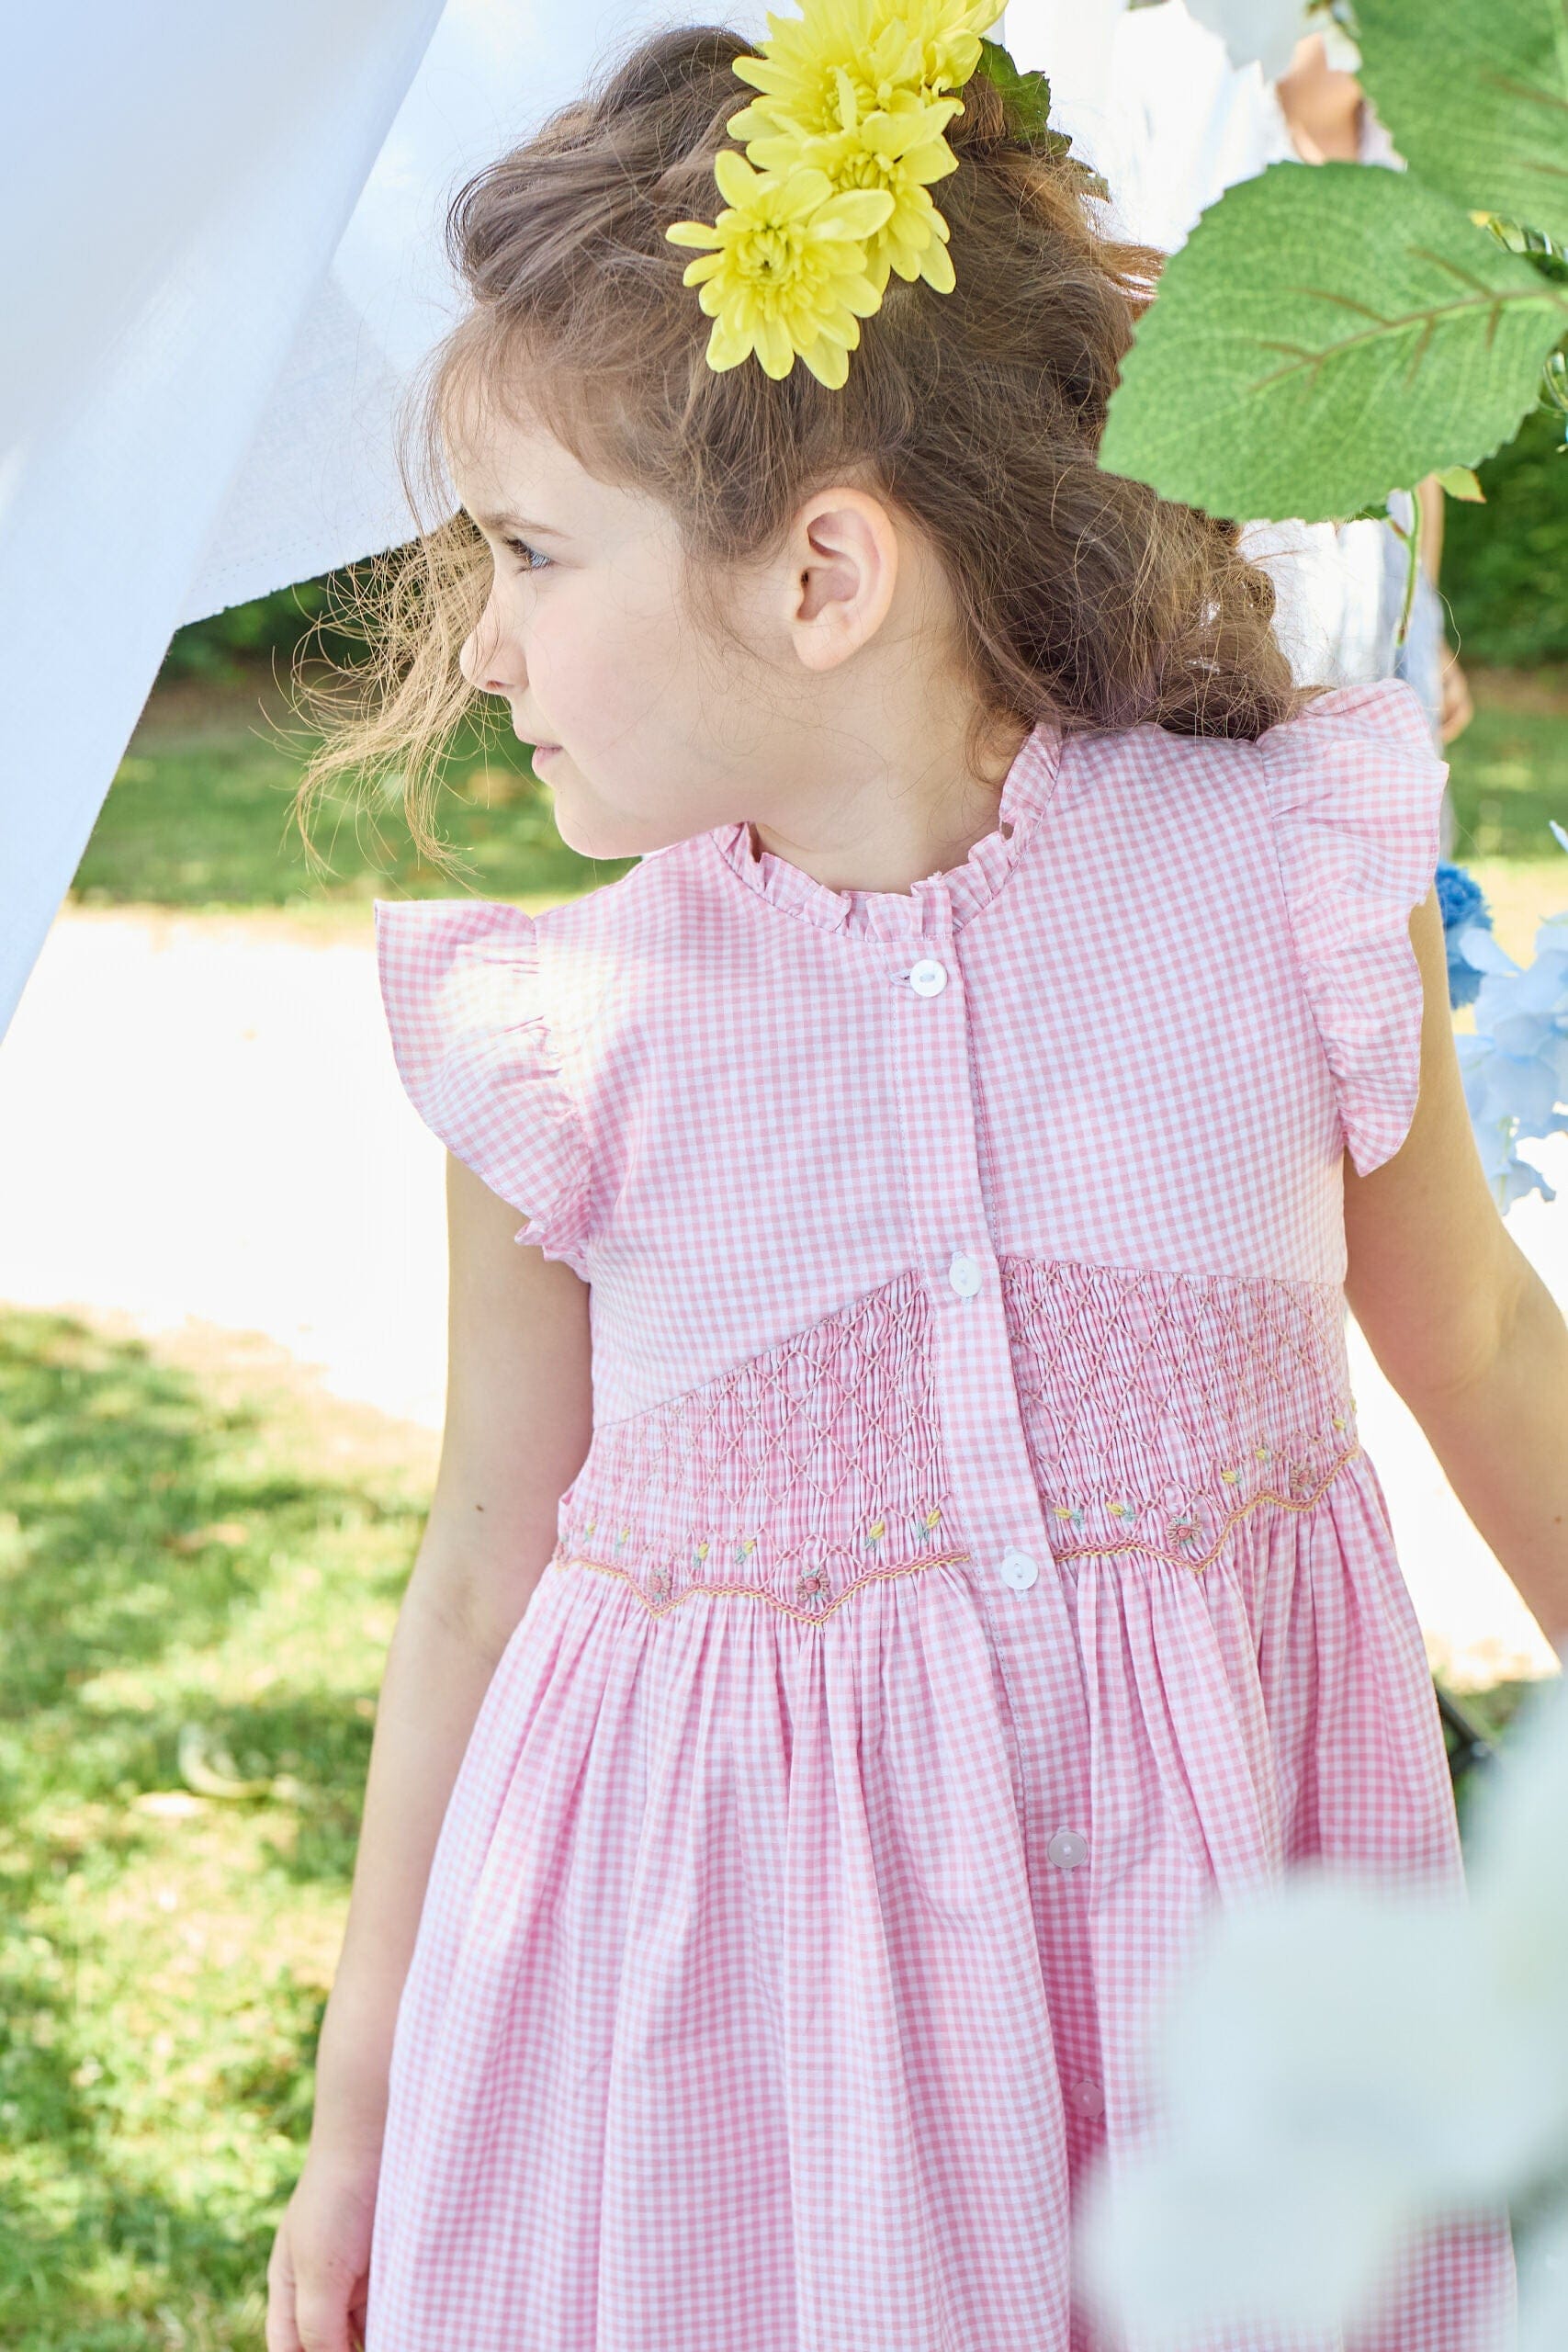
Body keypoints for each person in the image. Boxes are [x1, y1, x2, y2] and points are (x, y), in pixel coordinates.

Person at [264, 17, 1567, 2352]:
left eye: (535, 553)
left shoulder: (1277, 875)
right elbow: (480, 1565)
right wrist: (361, 2111)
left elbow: (1466, 1328)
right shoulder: (558, 1045)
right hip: (751, 2073)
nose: (483, 641)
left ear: (820, 571)